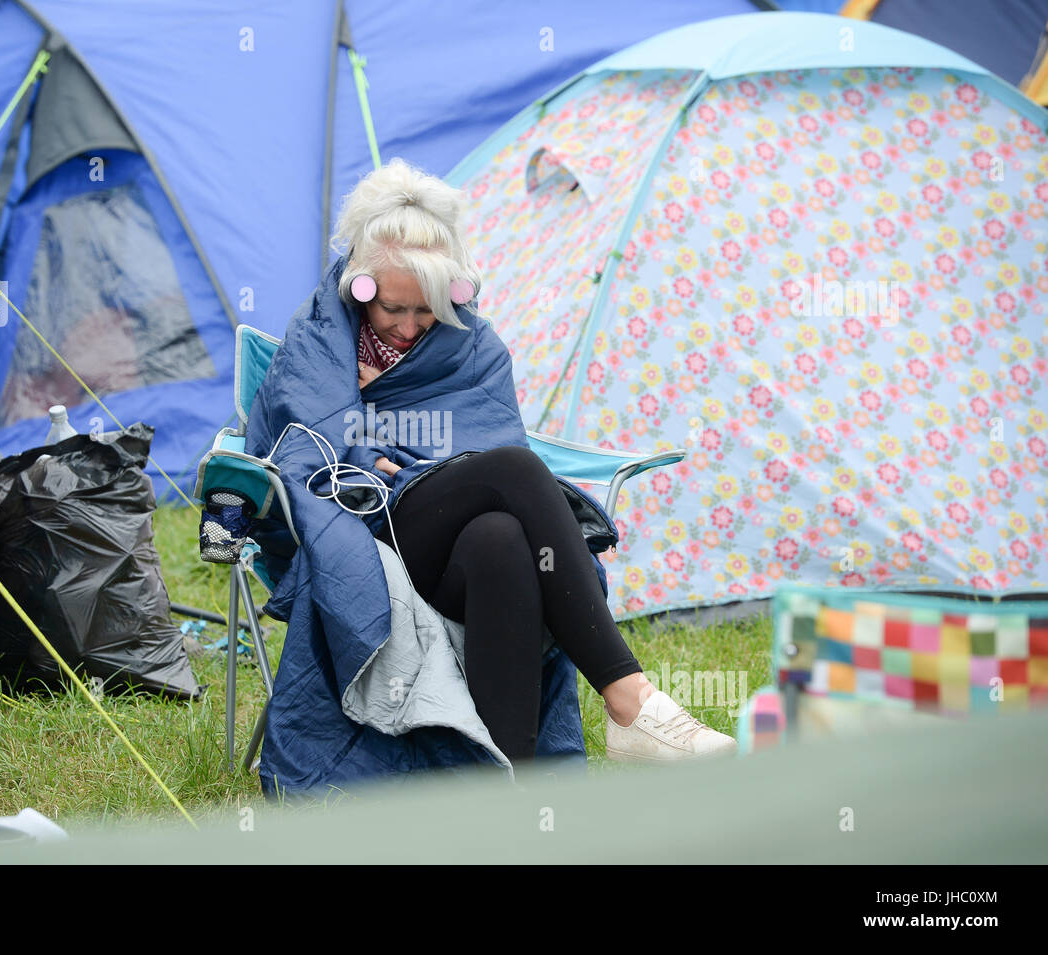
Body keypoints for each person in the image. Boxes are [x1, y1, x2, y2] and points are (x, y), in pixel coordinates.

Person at [243, 159, 733, 795]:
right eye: (394, 307)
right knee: (516, 471)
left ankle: (511, 797)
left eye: (428, 310)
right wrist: (371, 456)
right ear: (360, 289)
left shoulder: (475, 347)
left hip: (451, 548)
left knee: (501, 538)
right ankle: (630, 699)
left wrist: (402, 453)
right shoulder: (316, 343)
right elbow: (303, 456)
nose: (412, 325)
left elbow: (483, 437)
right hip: (363, 533)